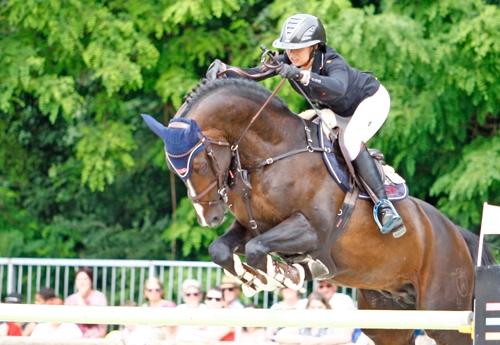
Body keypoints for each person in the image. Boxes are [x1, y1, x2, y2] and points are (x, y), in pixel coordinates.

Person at [206, 13, 406, 237]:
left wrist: (302, 76)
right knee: (300, 129)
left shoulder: (332, 61)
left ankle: (384, 206)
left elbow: (338, 87)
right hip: (337, 111)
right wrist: (224, 69)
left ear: (315, 46)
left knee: (350, 142)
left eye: (297, 49)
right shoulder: (289, 61)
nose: (291, 54)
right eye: (288, 49)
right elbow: (254, 73)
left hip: (370, 102)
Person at [275, 292, 357, 344]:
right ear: (307, 308)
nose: (316, 310)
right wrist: (306, 339)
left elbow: (345, 337)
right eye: (313, 307)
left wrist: (316, 341)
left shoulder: (331, 324)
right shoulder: (304, 325)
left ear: (326, 308)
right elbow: (280, 335)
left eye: (320, 307)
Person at [64, 267, 108, 338]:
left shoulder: (99, 297)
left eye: (85, 279)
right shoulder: (70, 299)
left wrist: (80, 298)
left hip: (95, 339)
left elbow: (91, 318)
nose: (82, 283)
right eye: (79, 279)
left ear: (91, 281)